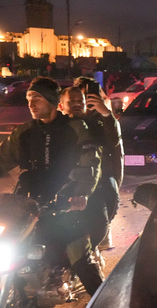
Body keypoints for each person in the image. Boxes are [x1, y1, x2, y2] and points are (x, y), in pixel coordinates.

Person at [0, 77, 103, 295]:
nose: (31, 104)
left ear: (52, 101)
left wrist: (81, 194)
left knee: (80, 259)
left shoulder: (74, 127)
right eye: (28, 99)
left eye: (36, 98)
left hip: (64, 201)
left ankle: (106, 298)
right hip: (27, 204)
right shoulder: (24, 132)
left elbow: (90, 163)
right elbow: (2, 159)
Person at [66, 77, 124, 251]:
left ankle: (96, 249)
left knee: (101, 223)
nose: (82, 100)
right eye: (76, 97)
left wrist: (105, 113)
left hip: (102, 178)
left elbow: (114, 143)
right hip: (72, 181)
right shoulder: (63, 121)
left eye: (86, 96)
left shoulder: (102, 119)